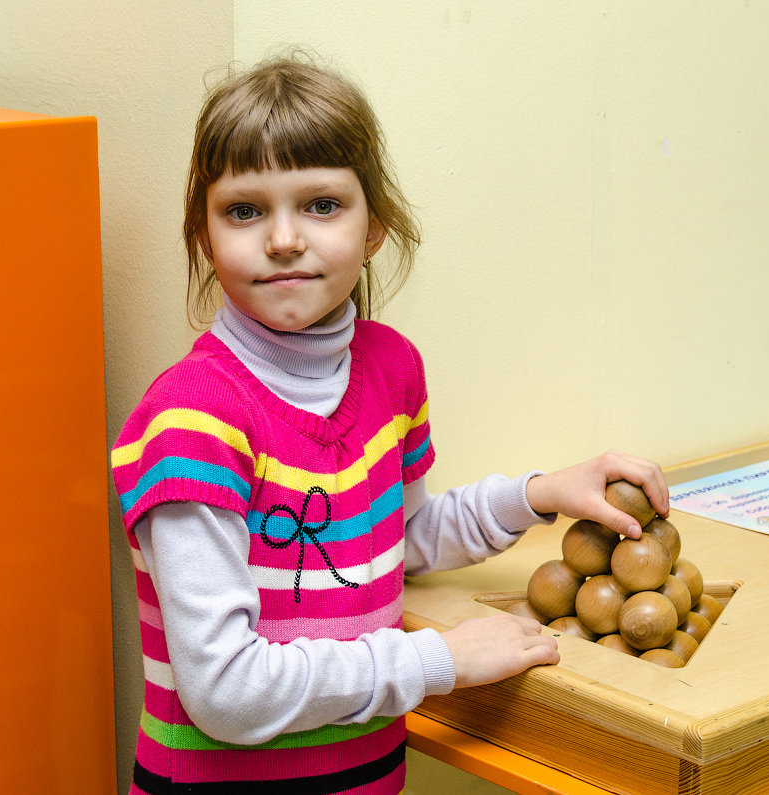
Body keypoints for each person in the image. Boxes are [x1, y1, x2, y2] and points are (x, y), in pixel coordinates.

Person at [111, 53, 670, 795]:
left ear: (376, 224)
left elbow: (392, 540)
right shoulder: (191, 425)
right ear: (206, 233)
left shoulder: (391, 368)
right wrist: (443, 660)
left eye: (321, 205)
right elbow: (227, 692)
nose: (282, 238)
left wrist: (538, 493)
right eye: (245, 210)